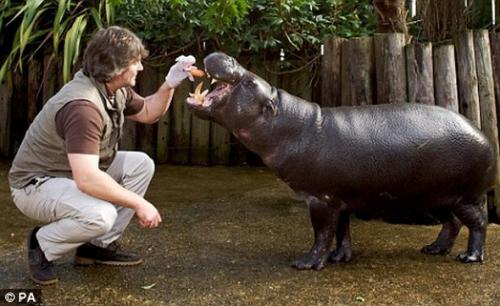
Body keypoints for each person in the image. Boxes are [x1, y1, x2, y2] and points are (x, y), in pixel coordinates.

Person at [8, 26, 196, 285]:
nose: (140, 68)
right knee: (101, 215)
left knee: (140, 164)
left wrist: (170, 83)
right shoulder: (82, 107)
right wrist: (139, 204)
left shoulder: (112, 87)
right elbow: (87, 179)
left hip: (69, 173)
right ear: (117, 67)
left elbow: (150, 112)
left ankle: (94, 246)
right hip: (36, 184)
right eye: (136, 62)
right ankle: (42, 244)